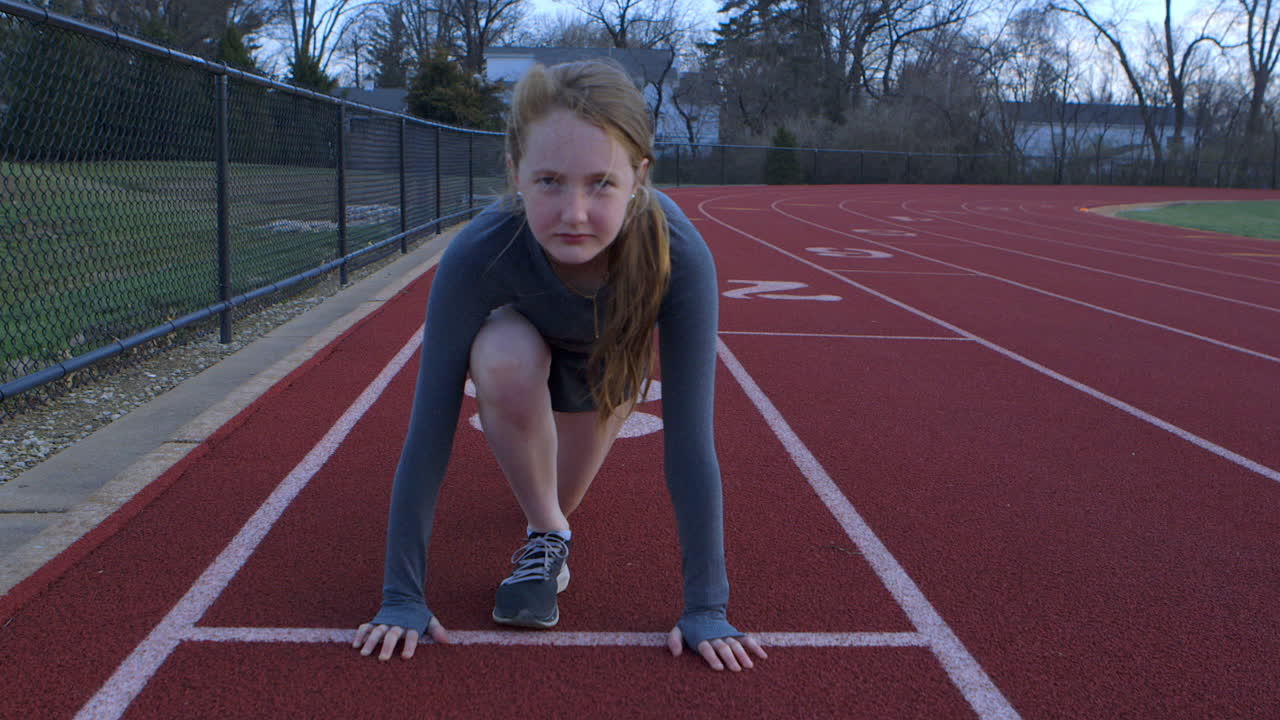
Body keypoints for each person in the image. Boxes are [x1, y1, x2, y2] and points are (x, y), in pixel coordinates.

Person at [352, 59, 767, 672]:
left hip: (606, 373)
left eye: (601, 183)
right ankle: (547, 537)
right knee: (503, 362)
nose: (574, 213)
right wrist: (400, 597)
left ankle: (551, 515)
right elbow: (429, 429)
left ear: (639, 178)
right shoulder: (478, 251)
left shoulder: (678, 255)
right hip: (526, 362)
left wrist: (707, 607)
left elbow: (689, 442)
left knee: (560, 494)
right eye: (549, 180)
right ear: (514, 172)